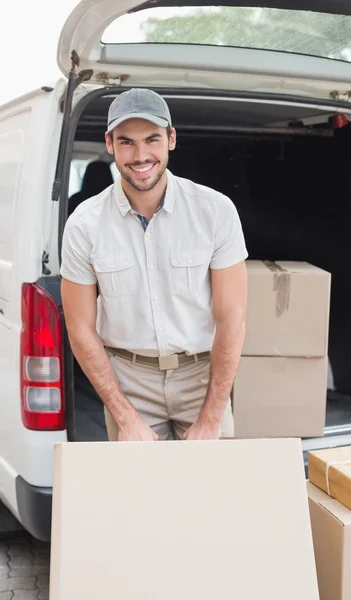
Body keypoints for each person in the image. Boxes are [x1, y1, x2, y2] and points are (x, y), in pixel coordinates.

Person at [60, 88, 248, 442]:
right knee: (140, 495)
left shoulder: (215, 211)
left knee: (213, 493)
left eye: (152, 139)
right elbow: (80, 329)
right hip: (129, 382)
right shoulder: (84, 224)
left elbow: (232, 318)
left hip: (201, 378)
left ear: (171, 139)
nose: (141, 155)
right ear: (110, 144)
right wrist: (125, 416)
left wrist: (212, 416)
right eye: (127, 142)